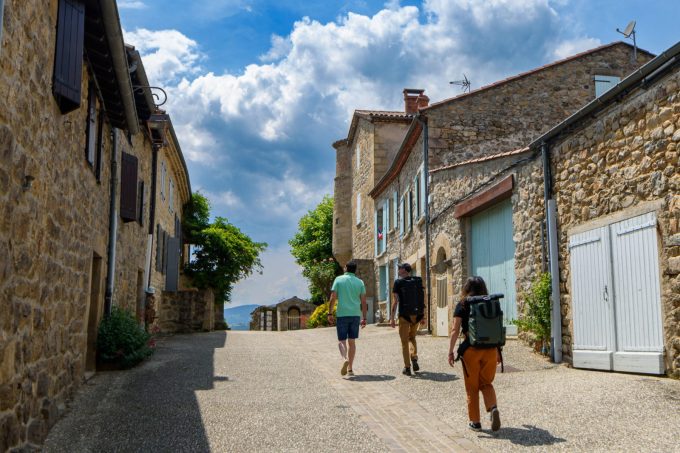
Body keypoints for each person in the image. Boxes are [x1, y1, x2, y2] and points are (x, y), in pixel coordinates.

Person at [448, 276, 502, 432]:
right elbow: (496, 328)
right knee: (486, 383)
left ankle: (475, 422)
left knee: (472, 387)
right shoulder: (490, 302)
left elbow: (455, 330)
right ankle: (492, 408)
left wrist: (451, 351)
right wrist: (498, 351)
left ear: (466, 288)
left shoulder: (463, 304)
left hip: (471, 350)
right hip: (491, 349)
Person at [328, 260, 367, 376]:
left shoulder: (338, 279)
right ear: (355, 270)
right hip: (355, 314)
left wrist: (329, 313)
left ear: (345, 268)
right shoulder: (360, 282)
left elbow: (333, 297)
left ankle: (344, 358)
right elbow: (364, 301)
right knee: (352, 342)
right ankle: (350, 368)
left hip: (342, 314)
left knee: (341, 340)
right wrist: (364, 317)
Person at [390, 263, 425, 376]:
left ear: (404, 270)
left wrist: (392, 318)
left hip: (404, 315)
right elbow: (422, 298)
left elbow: (395, 301)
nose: (398, 270)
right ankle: (414, 357)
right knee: (412, 337)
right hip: (417, 314)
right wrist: (423, 315)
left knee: (404, 341)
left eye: (399, 268)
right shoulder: (418, 280)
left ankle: (407, 367)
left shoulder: (398, 282)